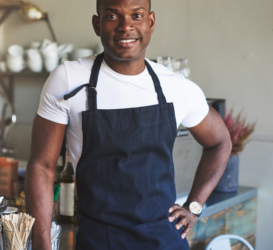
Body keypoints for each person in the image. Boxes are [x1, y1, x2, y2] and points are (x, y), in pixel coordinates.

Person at [25, 0, 232, 249]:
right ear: (97, 24)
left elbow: (220, 142)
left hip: (165, 239)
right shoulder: (68, 79)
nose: (126, 26)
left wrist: (194, 206)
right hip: (99, 240)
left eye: (136, 15)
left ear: (151, 22)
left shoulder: (176, 87)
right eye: (113, 16)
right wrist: (41, 243)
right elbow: (42, 166)